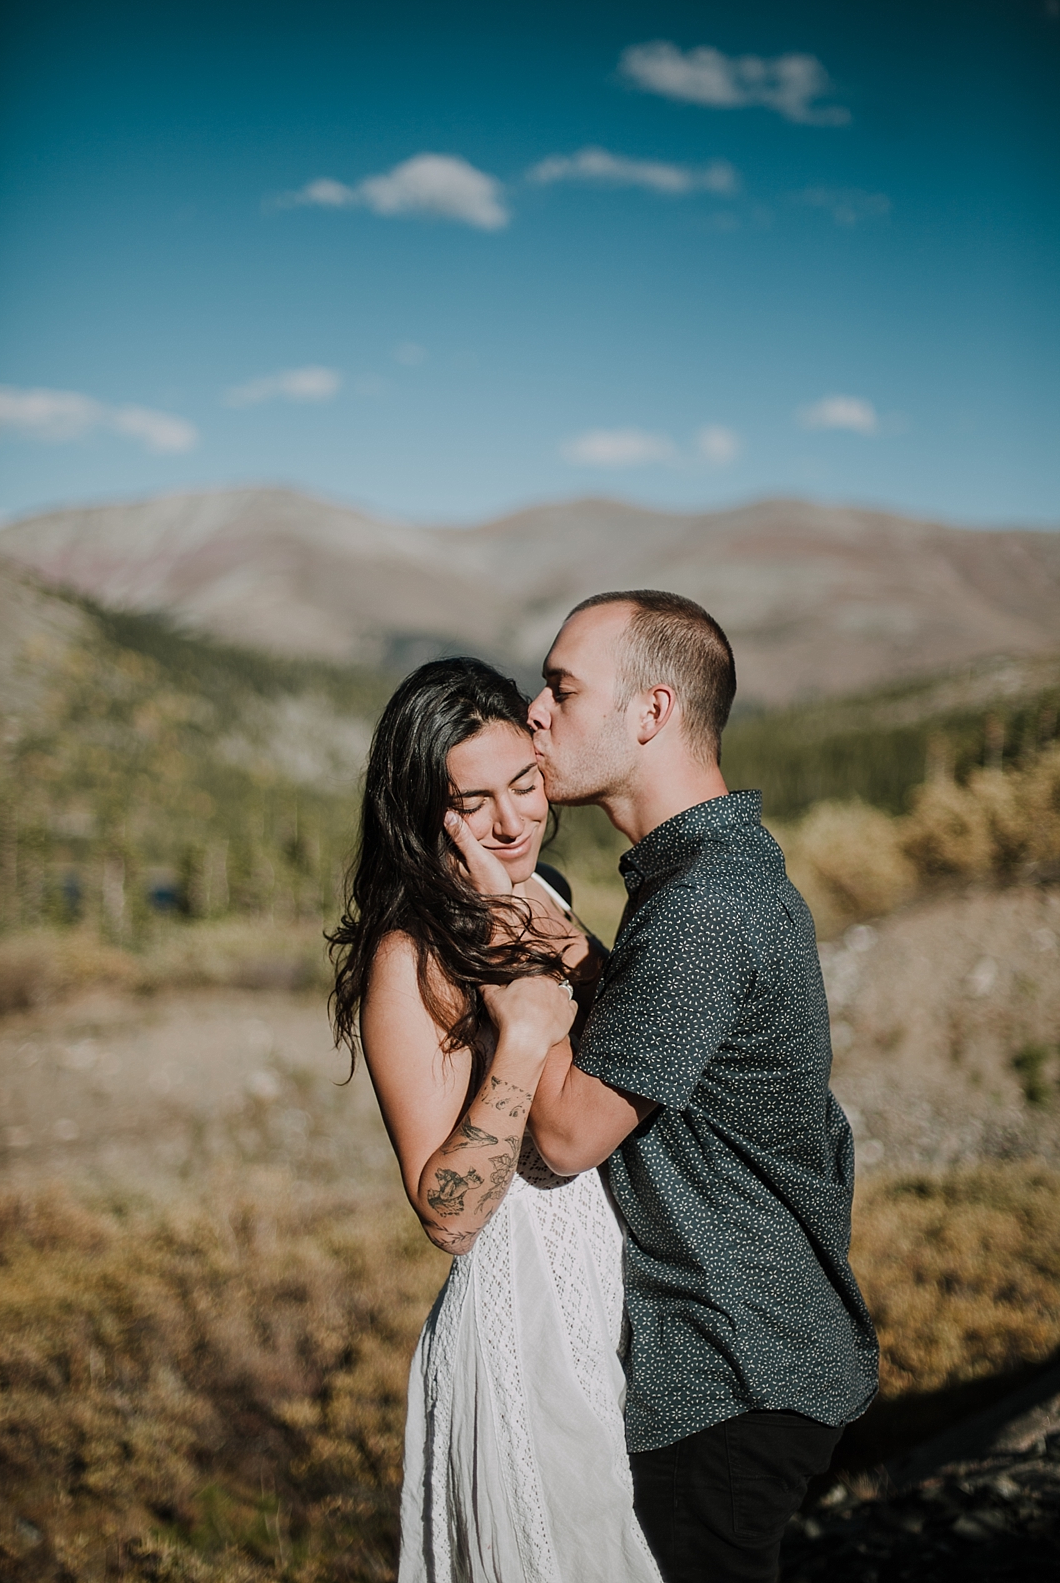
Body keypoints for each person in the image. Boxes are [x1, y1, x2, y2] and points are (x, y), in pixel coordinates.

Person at [523, 590, 880, 1583]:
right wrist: (590, 967)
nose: (533, 715)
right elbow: (687, 1063)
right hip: (751, 1354)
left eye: (560, 688)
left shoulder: (701, 907)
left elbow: (563, 1135)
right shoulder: (707, 881)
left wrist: (519, 983)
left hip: (720, 1371)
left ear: (649, 712)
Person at [327, 657, 663, 1583]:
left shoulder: (540, 885)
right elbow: (448, 1214)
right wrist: (517, 1042)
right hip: (526, 1315)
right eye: (475, 802)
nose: (514, 821)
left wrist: (568, 950)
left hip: (609, 1290)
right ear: (421, 806)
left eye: (526, 785)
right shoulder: (414, 953)